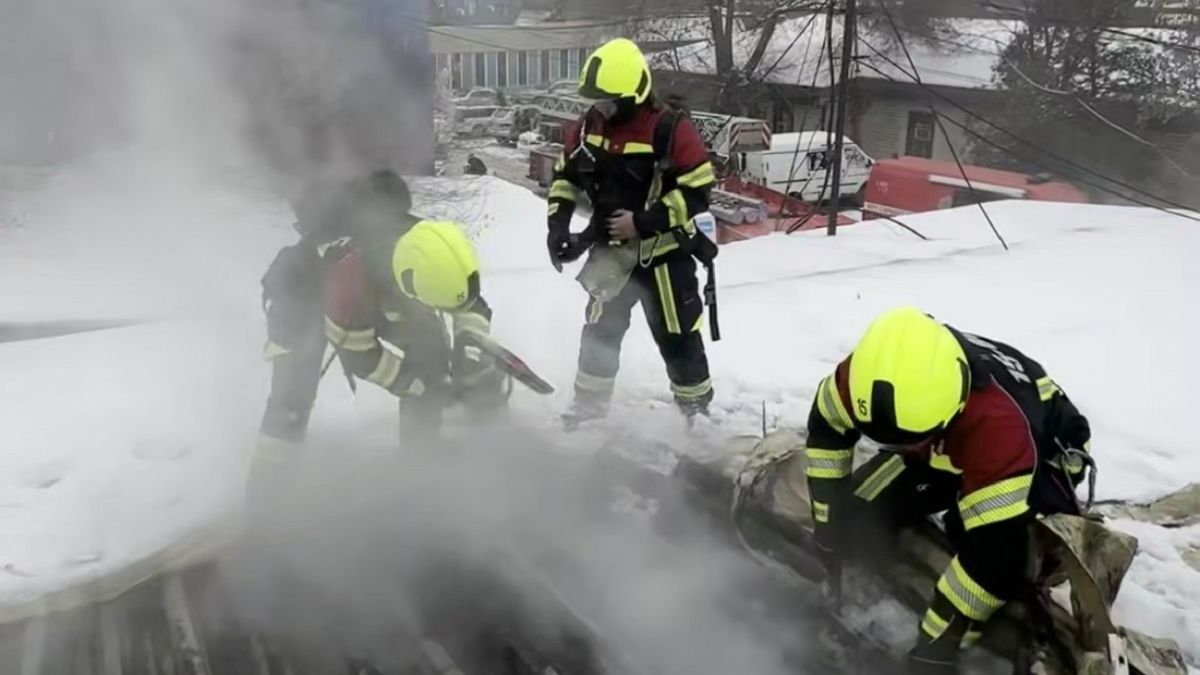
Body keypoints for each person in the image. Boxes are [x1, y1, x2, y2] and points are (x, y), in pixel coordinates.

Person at [803, 306, 1094, 674]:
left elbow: (992, 559)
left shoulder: (998, 426)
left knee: (1002, 559)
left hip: (1038, 454)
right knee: (858, 516)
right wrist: (827, 524)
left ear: (950, 413)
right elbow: (828, 434)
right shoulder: (860, 375)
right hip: (943, 450)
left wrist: (936, 645)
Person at [250, 170, 505, 500]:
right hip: (300, 300)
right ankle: (267, 501)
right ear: (411, 284)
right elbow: (360, 357)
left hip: (380, 294)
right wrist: (418, 386)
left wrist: (469, 358)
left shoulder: (429, 246)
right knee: (291, 402)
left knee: (430, 350)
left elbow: (469, 303)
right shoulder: (348, 280)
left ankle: (421, 461)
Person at [546, 38, 718, 424]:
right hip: (611, 255)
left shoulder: (671, 129)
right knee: (598, 334)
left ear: (634, 94)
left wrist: (642, 222)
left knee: (678, 337)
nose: (601, 108)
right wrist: (557, 223)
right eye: (597, 100)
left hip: (664, 256)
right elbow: (564, 177)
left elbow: (698, 192)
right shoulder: (589, 126)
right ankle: (588, 410)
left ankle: (696, 415)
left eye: (608, 101)